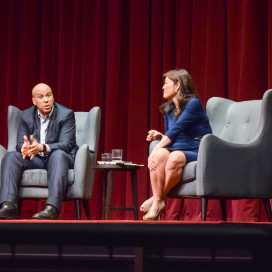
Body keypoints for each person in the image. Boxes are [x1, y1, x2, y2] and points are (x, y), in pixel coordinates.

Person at [141, 69, 212, 220]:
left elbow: (177, 129)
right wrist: (160, 138)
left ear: (178, 85)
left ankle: (157, 201)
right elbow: (172, 134)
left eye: (166, 83)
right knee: (159, 155)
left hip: (198, 149)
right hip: (179, 147)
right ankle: (158, 201)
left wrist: (156, 147)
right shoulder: (168, 108)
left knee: (173, 157)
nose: (162, 87)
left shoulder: (193, 104)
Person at [0, 83, 78, 220]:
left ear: (53, 97)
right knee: (11, 156)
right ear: (34, 101)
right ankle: (9, 206)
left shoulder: (66, 115)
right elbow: (19, 143)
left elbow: (67, 144)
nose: (46, 100)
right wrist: (24, 148)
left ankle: (52, 208)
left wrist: (42, 147)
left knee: (58, 155)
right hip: (36, 159)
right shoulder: (25, 115)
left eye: (48, 95)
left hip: (58, 158)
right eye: (41, 97)